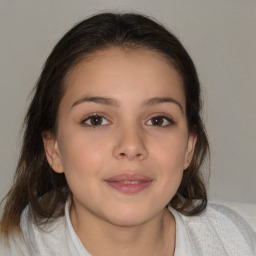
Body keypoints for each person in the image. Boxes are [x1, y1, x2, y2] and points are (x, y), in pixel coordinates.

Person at [0, 12, 255, 256]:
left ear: (189, 146)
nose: (131, 146)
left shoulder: (245, 239)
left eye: (158, 120)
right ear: (53, 148)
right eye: (96, 120)